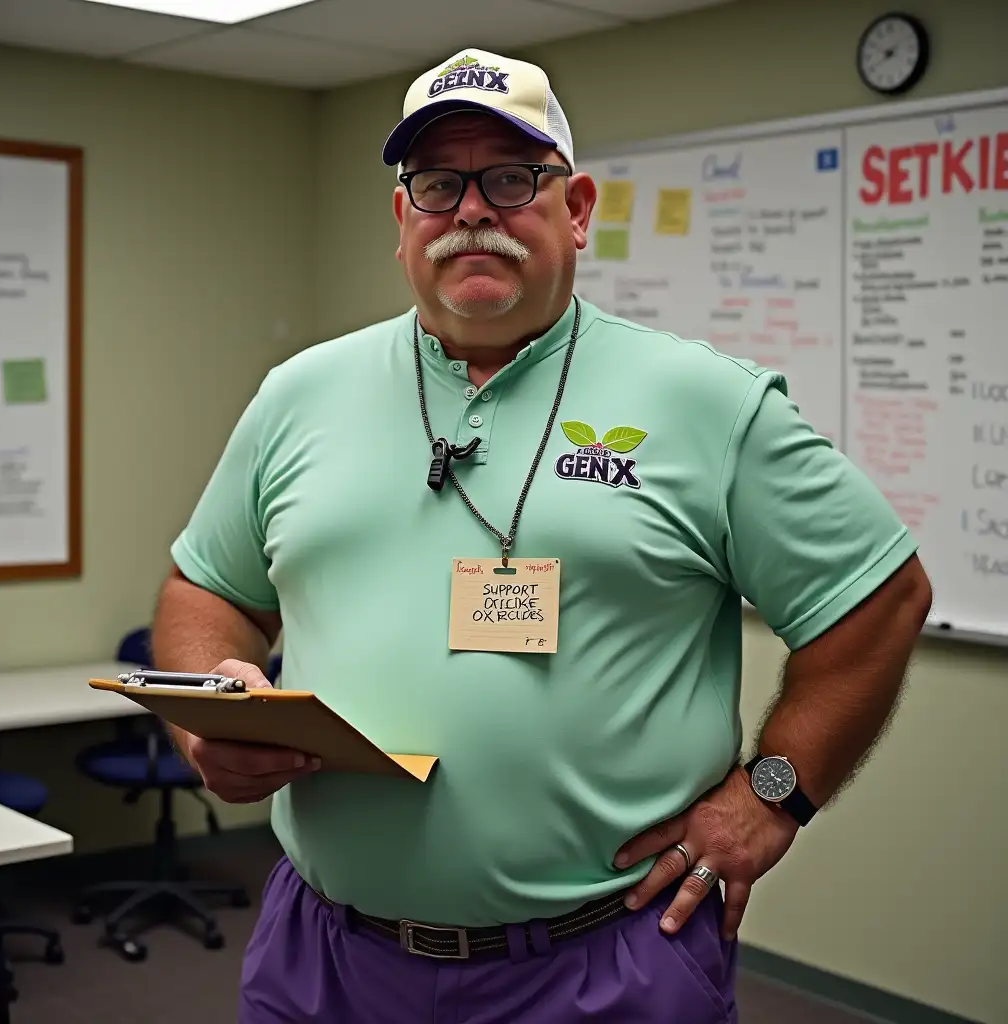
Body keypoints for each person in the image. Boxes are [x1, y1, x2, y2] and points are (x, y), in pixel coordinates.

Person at [152, 47, 932, 1023]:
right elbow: (204, 591)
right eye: (438, 183)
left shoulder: (705, 404)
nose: (472, 209)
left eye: (512, 177)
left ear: (575, 210)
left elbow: (880, 598)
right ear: (403, 221)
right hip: (327, 957)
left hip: (599, 968)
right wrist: (206, 713)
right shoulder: (299, 396)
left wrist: (773, 793)